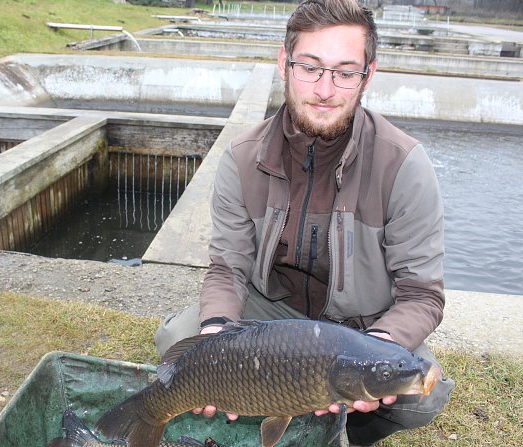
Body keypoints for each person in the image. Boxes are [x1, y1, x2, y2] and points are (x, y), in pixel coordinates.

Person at [154, 0, 454, 444]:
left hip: (360, 328)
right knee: (182, 339)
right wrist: (217, 335)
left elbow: (422, 294)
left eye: (345, 72)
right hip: (272, 320)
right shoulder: (242, 157)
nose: (325, 89)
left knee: (422, 393)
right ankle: (261, 401)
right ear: (284, 63)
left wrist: (376, 351)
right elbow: (228, 268)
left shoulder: (404, 165)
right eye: (310, 67)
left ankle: (340, 417)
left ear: (367, 76)